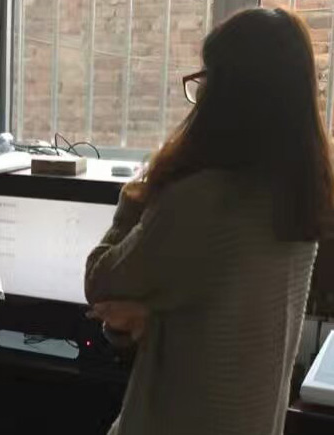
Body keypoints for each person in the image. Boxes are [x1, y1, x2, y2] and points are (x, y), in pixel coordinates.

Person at [86, 8, 334, 435]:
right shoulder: (303, 198)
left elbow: (100, 279)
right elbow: (222, 312)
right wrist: (150, 316)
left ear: (225, 94)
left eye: (207, 77)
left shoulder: (200, 198)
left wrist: (137, 193)